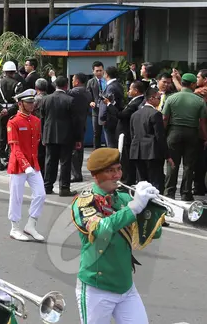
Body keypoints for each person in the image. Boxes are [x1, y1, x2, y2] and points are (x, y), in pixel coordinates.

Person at [72, 148, 163, 324]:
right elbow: (100, 229)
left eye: (119, 169)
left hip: (126, 286)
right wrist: (134, 208)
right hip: (97, 288)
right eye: (110, 171)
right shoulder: (84, 202)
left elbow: (153, 233)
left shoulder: (123, 198)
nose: (117, 175)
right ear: (95, 175)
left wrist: (151, 207)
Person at [5, 89, 47, 241]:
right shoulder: (13, 122)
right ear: (20, 103)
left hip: (33, 164)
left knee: (41, 194)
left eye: (32, 102)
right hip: (18, 165)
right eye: (28, 102)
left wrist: (32, 164)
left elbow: (36, 143)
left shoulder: (36, 121)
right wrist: (24, 164)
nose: (31, 105)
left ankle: (31, 224)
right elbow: (14, 147)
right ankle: (15, 228)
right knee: (16, 197)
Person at [162, 73, 207, 201]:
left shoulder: (171, 98)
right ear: (193, 84)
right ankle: (186, 193)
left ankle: (169, 192)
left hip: (174, 132)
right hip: (192, 133)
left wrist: (162, 134)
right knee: (189, 165)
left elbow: (165, 118)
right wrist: (205, 138)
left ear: (182, 83)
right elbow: (203, 122)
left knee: (172, 163)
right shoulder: (199, 101)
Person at [41, 76, 78, 197]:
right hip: (66, 136)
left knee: (50, 161)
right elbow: (75, 121)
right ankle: (64, 188)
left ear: (55, 85)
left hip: (50, 134)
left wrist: (43, 136)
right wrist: (78, 138)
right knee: (65, 162)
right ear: (66, 86)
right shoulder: (70, 100)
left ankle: (47, 186)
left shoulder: (46, 99)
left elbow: (42, 118)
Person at [130, 87, 170, 192]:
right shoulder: (156, 114)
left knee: (141, 182)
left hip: (137, 151)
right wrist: (167, 155)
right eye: (158, 98)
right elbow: (160, 136)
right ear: (151, 98)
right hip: (152, 152)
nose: (159, 100)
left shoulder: (135, 114)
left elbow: (132, 134)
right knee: (155, 181)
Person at [108, 81, 145, 186]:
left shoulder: (136, 102)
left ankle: (127, 181)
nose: (128, 91)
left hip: (126, 134)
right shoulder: (134, 101)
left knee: (126, 160)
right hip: (125, 134)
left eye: (130, 89)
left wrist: (109, 105)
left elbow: (122, 115)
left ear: (136, 91)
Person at [0, 61, 20, 170]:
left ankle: (1, 159)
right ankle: (9, 158)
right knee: (12, 136)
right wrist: (9, 110)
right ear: (14, 72)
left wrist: (2, 109)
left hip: (1, 113)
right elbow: (20, 101)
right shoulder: (18, 84)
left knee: (1, 137)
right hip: (13, 113)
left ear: (4, 71)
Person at [69, 73, 91, 183]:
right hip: (82, 123)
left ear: (77, 81)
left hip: (74, 125)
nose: (72, 82)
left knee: (74, 151)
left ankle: (76, 174)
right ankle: (77, 173)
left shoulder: (75, 92)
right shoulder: (87, 92)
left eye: (73, 80)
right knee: (79, 150)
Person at [99, 66, 124, 148]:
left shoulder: (111, 87)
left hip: (110, 119)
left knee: (111, 144)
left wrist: (103, 117)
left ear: (106, 74)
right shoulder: (118, 85)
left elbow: (108, 103)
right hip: (115, 117)